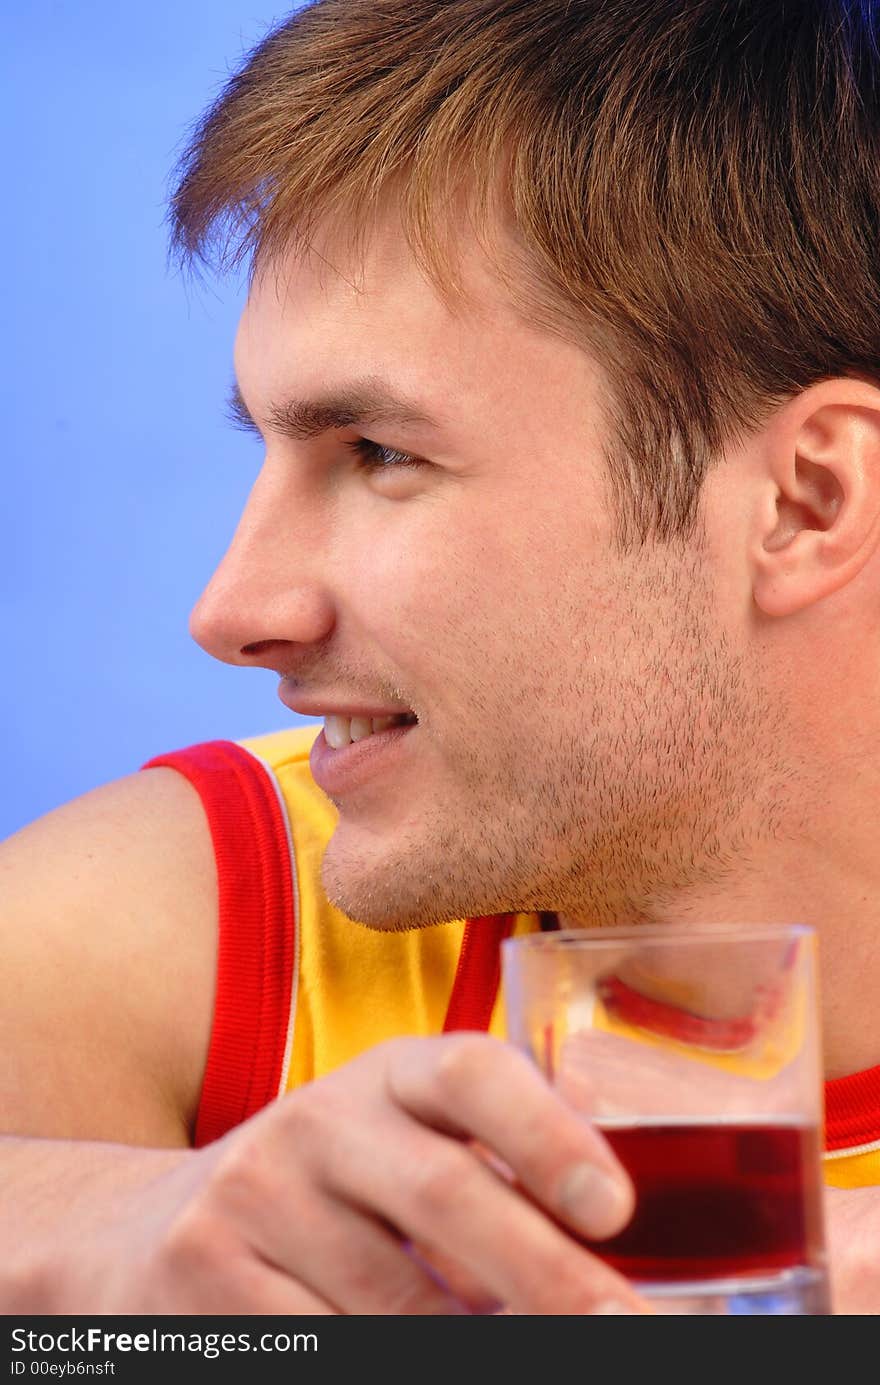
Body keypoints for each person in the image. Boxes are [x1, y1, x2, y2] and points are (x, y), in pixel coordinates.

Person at [2, 0, 880, 1315]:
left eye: (379, 454)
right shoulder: (190, 932)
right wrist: (107, 1223)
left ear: (805, 501)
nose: (233, 608)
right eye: (270, 447)